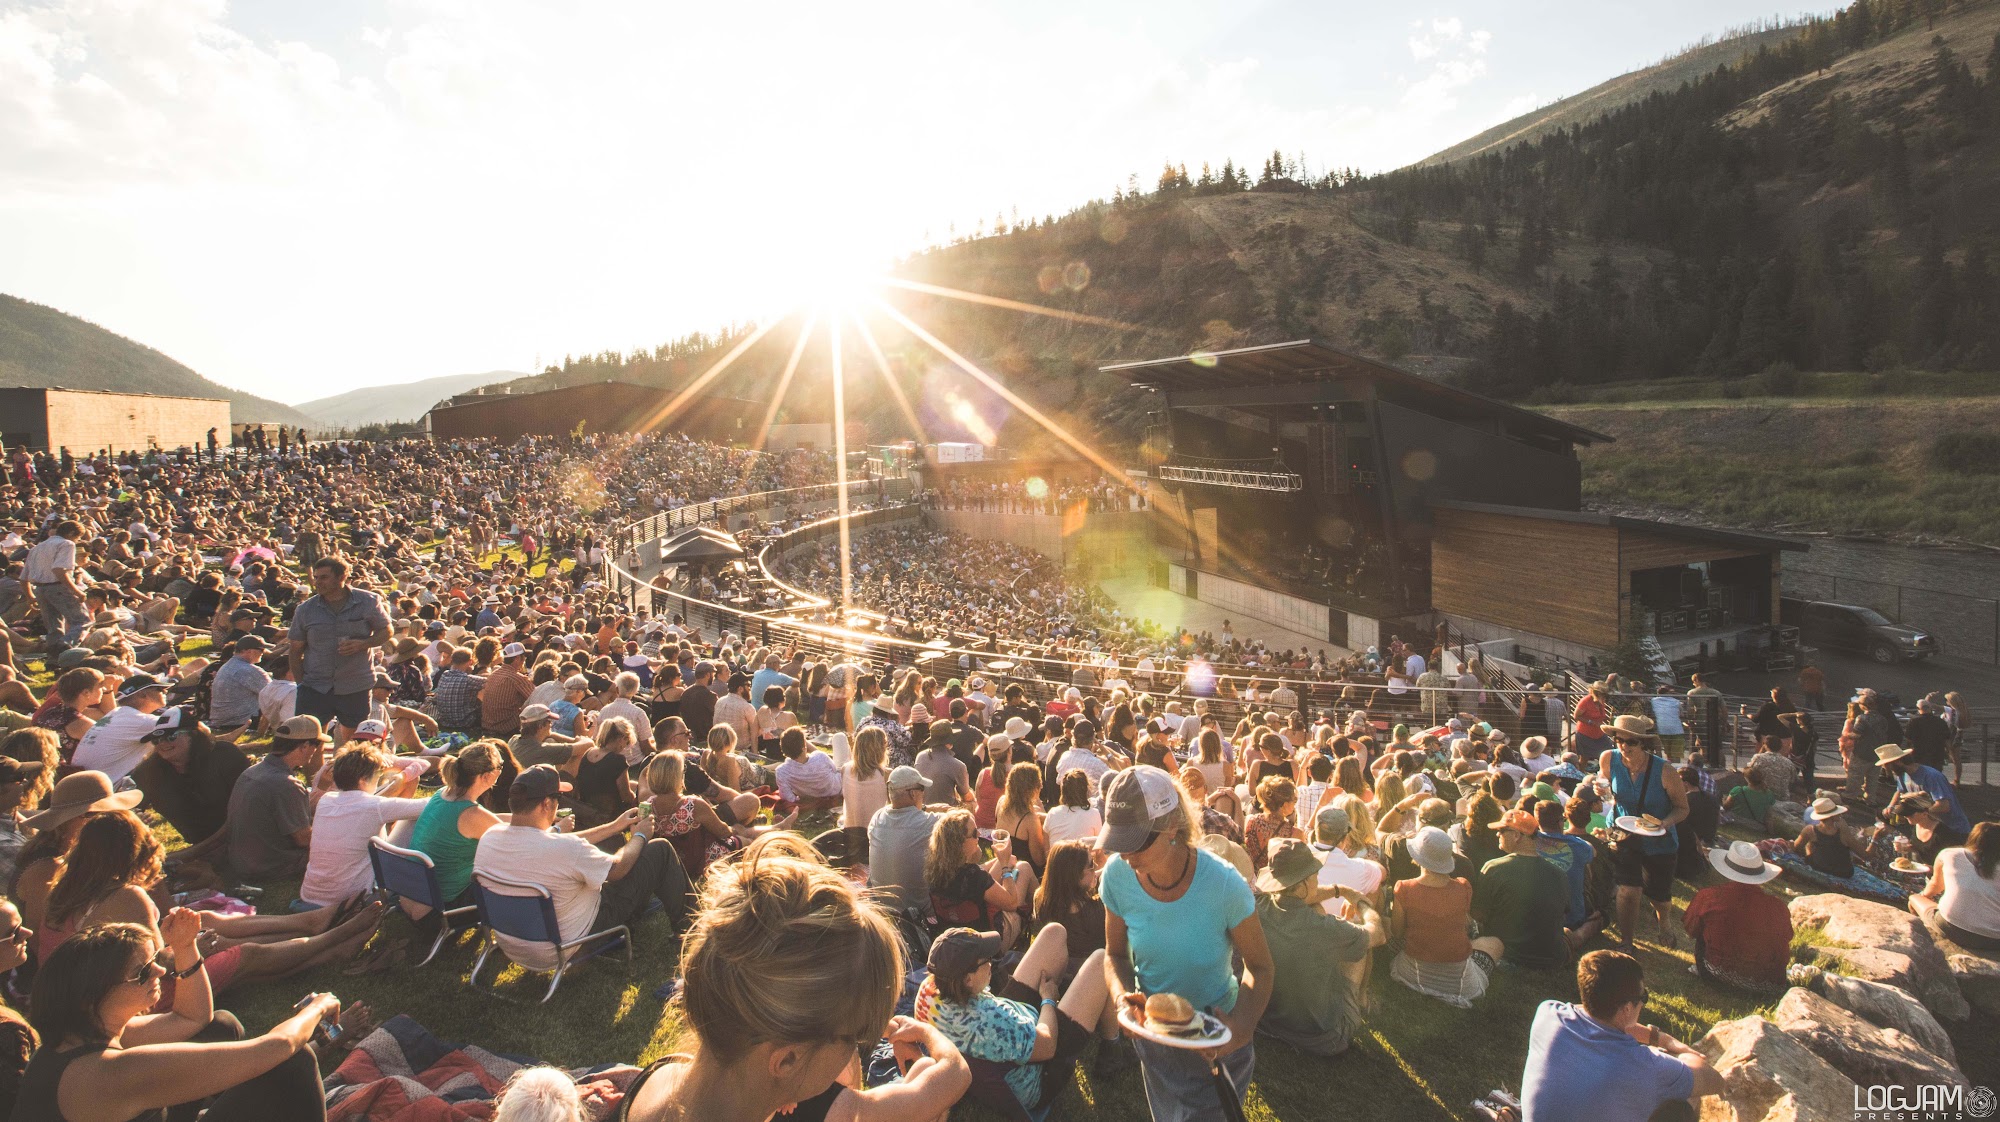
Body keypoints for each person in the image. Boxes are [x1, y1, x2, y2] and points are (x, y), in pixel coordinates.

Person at [615, 833, 969, 1122]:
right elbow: (953, 1075)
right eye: (855, 1038)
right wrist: (924, 1032)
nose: (859, 1047)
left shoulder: (662, 1078)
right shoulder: (818, 1112)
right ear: (786, 1061)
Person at [19, 921, 347, 1121]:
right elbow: (278, 1047)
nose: (161, 970)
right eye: (141, 972)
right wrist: (317, 1008)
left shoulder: (78, 1036)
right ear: (91, 998)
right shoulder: (110, 1074)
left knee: (220, 1025)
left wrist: (186, 946)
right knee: (294, 1062)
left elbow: (193, 1018)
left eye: (153, 960)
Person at [1099, 765, 1271, 1122]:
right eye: (1119, 840)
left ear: (1172, 827)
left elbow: (1261, 967)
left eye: (1136, 842)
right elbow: (1115, 954)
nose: (1126, 855)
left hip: (1215, 1042)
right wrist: (1121, 998)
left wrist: (1239, 1030)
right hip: (1155, 1040)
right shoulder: (1117, 875)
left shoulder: (1225, 885)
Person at [472, 764, 688, 973]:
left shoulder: (490, 837)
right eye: (558, 798)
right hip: (564, 948)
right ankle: (688, 930)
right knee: (659, 850)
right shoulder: (564, 848)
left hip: (514, 945)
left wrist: (614, 826)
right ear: (546, 804)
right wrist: (640, 835)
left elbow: (554, 842)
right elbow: (619, 869)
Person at [915, 924, 1116, 1115]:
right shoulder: (991, 1023)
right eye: (986, 960)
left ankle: (1077, 998)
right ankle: (1112, 1048)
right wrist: (1048, 999)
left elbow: (996, 1022)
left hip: (1010, 1030)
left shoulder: (929, 990)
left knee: (1054, 932)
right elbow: (1047, 1046)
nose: (992, 962)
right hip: (1039, 1072)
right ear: (968, 980)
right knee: (1104, 960)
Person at [1518, 950, 1722, 1122]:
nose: (1643, 1003)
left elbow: (1589, 1011)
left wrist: (1662, 1038)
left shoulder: (1548, 1014)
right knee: (1684, 1102)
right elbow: (1714, 1080)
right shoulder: (1644, 1065)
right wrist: (1682, 1054)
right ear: (1627, 1008)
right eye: (1643, 996)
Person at [1252, 837, 1385, 1057]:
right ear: (1304, 882)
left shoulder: (1258, 905)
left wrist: (1339, 890)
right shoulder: (1325, 929)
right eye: (1315, 873)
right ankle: (1359, 1001)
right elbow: (1377, 934)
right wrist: (1362, 904)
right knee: (1359, 941)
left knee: (1323, 915)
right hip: (1325, 1038)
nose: (1317, 878)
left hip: (1267, 1023)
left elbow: (1298, 897)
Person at [297, 744, 429, 909]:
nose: (379, 780)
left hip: (310, 896)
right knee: (412, 820)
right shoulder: (374, 806)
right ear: (363, 780)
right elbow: (430, 805)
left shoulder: (326, 800)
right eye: (377, 776)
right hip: (353, 900)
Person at [1596, 714, 1687, 950]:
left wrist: (1664, 823)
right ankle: (1627, 941)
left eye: (1631, 742)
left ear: (1643, 743)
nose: (1623, 746)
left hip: (1659, 840)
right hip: (1623, 832)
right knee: (1628, 889)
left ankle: (1664, 922)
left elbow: (1682, 808)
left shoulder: (1665, 771)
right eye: (1619, 740)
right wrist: (1601, 791)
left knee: (1659, 895)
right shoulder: (1608, 759)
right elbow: (1609, 788)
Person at [1389, 826, 1502, 1008]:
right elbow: (1462, 924)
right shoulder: (1463, 887)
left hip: (1414, 972)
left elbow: (1396, 932)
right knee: (1495, 943)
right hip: (1460, 982)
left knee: (1386, 925)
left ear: (1417, 857)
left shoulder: (1404, 888)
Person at [222, 714, 330, 882]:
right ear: (304, 746)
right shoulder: (287, 784)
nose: (316, 750)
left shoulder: (251, 772)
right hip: (268, 866)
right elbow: (303, 840)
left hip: (241, 860)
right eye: (316, 745)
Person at [407, 742, 506, 922]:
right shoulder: (471, 814)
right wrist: (555, 829)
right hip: (439, 912)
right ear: (486, 776)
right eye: (500, 766)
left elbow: (491, 819)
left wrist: (527, 817)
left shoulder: (443, 794)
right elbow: (516, 841)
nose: (501, 770)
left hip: (412, 899)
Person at [289, 556, 389, 730]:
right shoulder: (305, 609)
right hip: (315, 685)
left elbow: (386, 630)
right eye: (316, 577)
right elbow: (295, 650)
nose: (317, 582)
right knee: (310, 737)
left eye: (324, 577)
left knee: (354, 737)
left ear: (342, 577)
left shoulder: (368, 601)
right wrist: (301, 684)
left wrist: (363, 644)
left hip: (355, 683)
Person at [1683, 840, 1791, 990]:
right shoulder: (1779, 907)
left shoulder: (1709, 897)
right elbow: (1787, 937)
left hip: (1717, 975)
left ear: (1727, 869)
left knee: (1703, 926)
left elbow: (1691, 929)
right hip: (1770, 984)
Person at [1473, 810, 1570, 971]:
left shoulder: (1493, 868)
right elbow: (1563, 913)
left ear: (1516, 835)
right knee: (1569, 933)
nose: (1497, 835)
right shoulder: (1559, 873)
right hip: (1550, 959)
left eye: (1501, 830)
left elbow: (1478, 915)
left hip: (1506, 957)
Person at [927, 808, 1031, 946]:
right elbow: (1012, 903)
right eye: (975, 833)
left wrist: (1000, 861)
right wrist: (1005, 866)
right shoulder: (975, 877)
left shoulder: (935, 872)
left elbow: (974, 873)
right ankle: (1042, 915)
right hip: (989, 944)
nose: (980, 835)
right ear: (960, 843)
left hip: (954, 943)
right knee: (1024, 867)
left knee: (1014, 863)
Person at [866, 766, 949, 916]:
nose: (924, 793)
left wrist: (925, 808)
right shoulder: (928, 823)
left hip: (880, 910)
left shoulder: (877, 818)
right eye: (922, 789)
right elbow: (960, 822)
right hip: (917, 914)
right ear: (913, 793)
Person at [1910, 821, 2000, 952]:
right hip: (1994, 940)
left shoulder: (1950, 854)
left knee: (1915, 898)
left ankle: (1918, 929)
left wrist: (1924, 896)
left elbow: (1935, 886)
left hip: (1950, 927)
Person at [1878, 742, 1972, 863]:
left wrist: (1920, 812)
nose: (1887, 771)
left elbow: (1944, 805)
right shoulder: (1903, 775)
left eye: (1887, 766)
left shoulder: (1931, 776)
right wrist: (1891, 806)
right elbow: (1899, 791)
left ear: (1898, 762)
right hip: (1929, 830)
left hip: (1952, 830)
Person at [70, 673, 170, 785]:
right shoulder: (138, 720)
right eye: (160, 689)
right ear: (143, 694)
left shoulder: (118, 713)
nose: (165, 692)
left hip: (84, 785)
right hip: (102, 790)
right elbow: (179, 723)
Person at [1306, 803, 1385, 909]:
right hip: (1345, 918)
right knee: (1374, 885)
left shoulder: (1296, 858)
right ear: (1345, 837)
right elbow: (1382, 872)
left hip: (1305, 919)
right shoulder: (1361, 868)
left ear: (1316, 832)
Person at [206, 638, 272, 735]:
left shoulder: (227, 666)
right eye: (261, 650)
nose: (263, 653)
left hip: (221, 721)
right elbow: (275, 693)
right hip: (241, 722)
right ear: (249, 651)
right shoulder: (249, 670)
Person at [1795, 797, 1869, 880]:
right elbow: (1865, 855)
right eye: (1837, 813)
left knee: (1809, 845)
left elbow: (1796, 847)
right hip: (1844, 873)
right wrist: (1875, 839)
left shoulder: (1809, 830)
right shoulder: (1843, 832)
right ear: (1831, 816)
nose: (1840, 815)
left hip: (1819, 867)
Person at [840, 726, 891, 830]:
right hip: (875, 833)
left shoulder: (845, 769)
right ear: (881, 749)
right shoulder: (886, 774)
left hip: (850, 830)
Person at [1043, 769, 1102, 845]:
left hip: (1056, 852)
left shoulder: (1052, 813)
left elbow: (1046, 847)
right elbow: (1098, 845)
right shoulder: (1094, 814)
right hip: (1082, 852)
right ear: (1086, 789)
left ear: (1063, 790)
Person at [1721, 768, 1777, 832]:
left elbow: (1726, 807)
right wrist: (1771, 832)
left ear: (1746, 778)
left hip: (1735, 820)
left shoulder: (1738, 790)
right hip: (1755, 825)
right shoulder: (1769, 794)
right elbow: (1768, 816)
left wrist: (1723, 800)